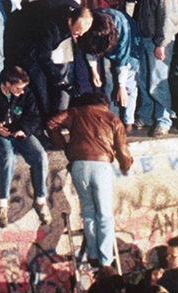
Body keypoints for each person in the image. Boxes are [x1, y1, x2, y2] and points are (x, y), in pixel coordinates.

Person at [47, 92, 133, 269]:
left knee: (88, 212)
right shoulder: (112, 118)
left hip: (78, 165)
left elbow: (52, 123)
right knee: (105, 214)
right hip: (101, 166)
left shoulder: (75, 112)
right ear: (105, 104)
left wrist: (62, 144)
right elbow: (122, 148)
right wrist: (126, 164)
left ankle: (92, 255)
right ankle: (106, 260)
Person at [0, 66, 51, 228]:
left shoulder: (26, 94)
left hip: (19, 132)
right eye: (18, 88)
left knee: (40, 155)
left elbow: (34, 117)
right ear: (7, 84)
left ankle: (41, 200)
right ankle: (3, 204)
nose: (22, 92)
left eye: (23, 88)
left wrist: (24, 130)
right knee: (8, 156)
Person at [135, 0, 178, 136]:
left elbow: (167, 14)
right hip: (148, 38)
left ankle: (163, 119)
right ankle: (147, 115)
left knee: (158, 80)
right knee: (145, 79)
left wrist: (162, 42)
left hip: (158, 40)